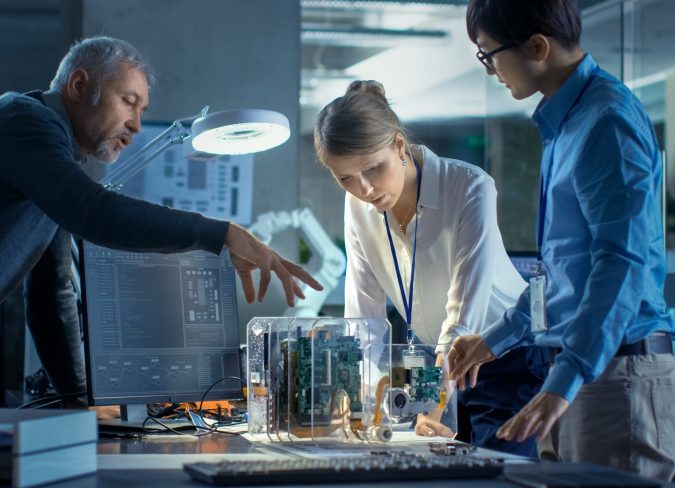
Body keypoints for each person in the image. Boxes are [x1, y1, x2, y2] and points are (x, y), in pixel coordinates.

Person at [0, 36, 322, 407]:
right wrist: (221, 233)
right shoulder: (24, 120)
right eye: (128, 102)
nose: (136, 125)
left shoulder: (52, 167)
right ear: (78, 85)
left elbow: (51, 293)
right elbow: (92, 211)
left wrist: (81, 402)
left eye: (141, 109)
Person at [447, 0, 675, 480]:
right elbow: (561, 276)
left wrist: (565, 379)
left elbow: (621, 264)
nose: (490, 70)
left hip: (613, 377)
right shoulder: (565, 124)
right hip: (578, 373)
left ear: (537, 47)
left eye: (489, 54)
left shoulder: (606, 122)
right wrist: (494, 340)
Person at [314, 80, 547, 456]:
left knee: (498, 473)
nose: (365, 190)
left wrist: (435, 405)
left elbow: (462, 319)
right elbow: (363, 321)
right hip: (431, 361)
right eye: (345, 179)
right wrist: (361, 404)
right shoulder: (357, 206)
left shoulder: (469, 186)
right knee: (434, 469)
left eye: (374, 169)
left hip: (502, 354)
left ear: (399, 146)